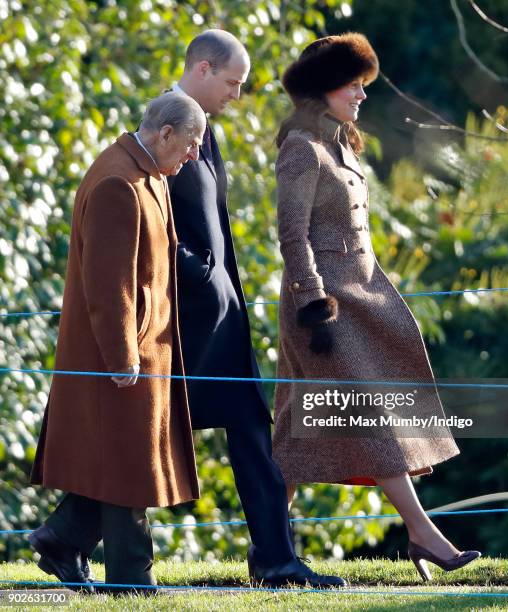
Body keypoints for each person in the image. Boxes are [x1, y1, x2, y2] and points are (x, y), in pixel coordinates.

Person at [272, 32, 481, 582]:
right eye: (353, 84)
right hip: (324, 309)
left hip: (358, 303)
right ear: (323, 89)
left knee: (296, 433)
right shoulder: (301, 146)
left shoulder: (339, 142)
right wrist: (314, 303)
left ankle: (269, 551)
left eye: (363, 84)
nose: (362, 95)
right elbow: (292, 237)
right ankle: (423, 533)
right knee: (370, 418)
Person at [167, 29, 344, 588]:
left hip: (222, 320)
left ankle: (275, 558)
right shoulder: (161, 126)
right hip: (183, 325)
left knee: (249, 428)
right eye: (232, 83)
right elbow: (145, 219)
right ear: (201, 69)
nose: (236, 96)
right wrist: (197, 274)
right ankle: (66, 533)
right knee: (151, 431)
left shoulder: (206, 130)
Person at [29, 92, 206, 594]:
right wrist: (122, 356)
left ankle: (62, 539)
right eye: (190, 144)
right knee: (130, 467)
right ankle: (133, 581)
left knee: (123, 461)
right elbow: (110, 287)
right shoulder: (116, 180)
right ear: (165, 133)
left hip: (146, 348)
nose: (194, 156)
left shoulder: (148, 172)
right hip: (118, 352)